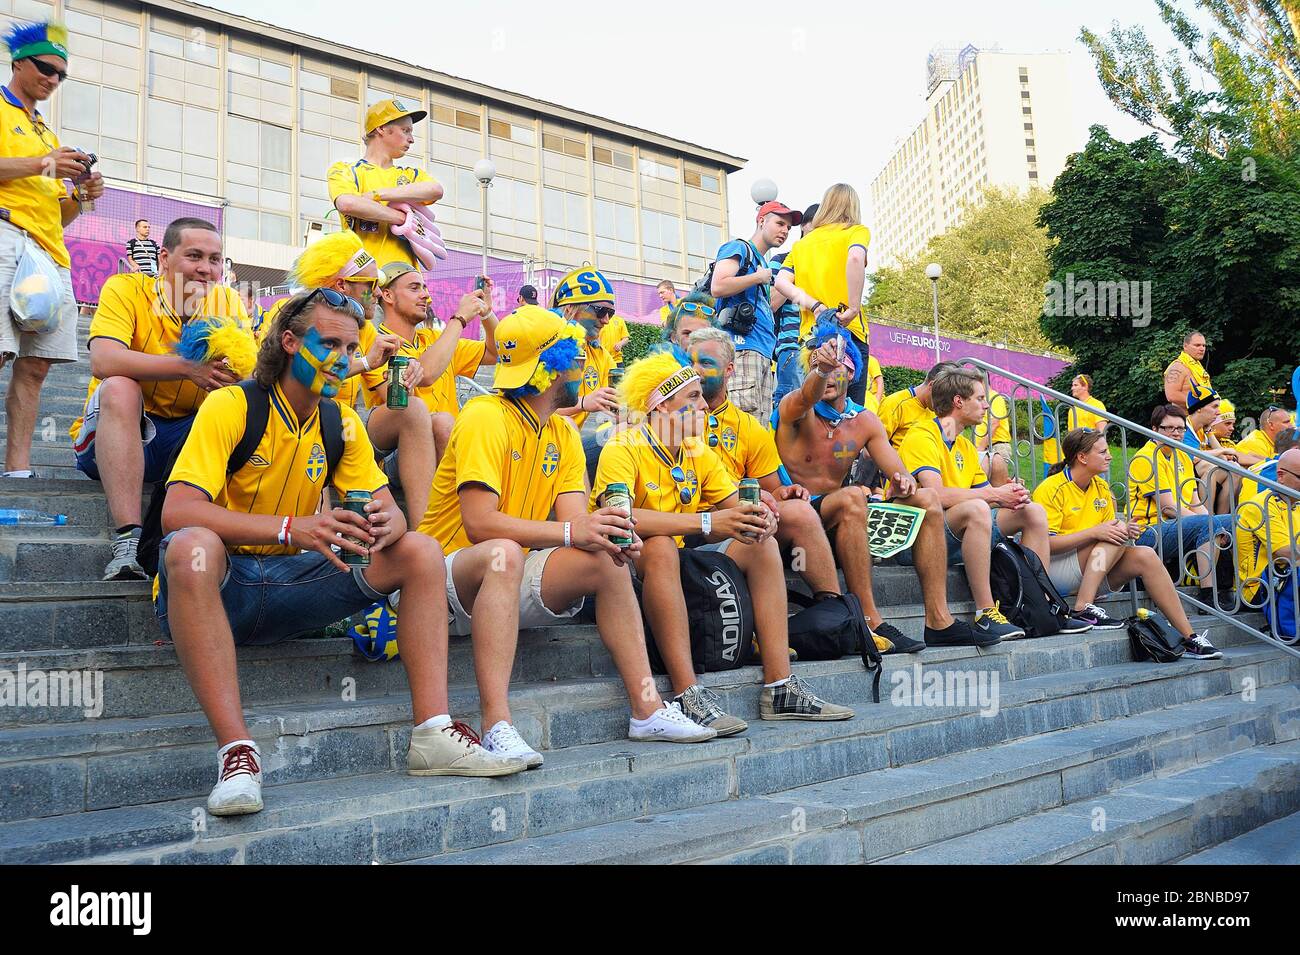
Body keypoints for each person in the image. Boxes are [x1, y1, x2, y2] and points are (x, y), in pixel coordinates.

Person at [158, 288, 524, 816]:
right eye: (328, 343)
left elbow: (391, 513)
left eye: (350, 349)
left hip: (297, 583)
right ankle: (237, 752)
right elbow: (177, 510)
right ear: (289, 342)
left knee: (420, 550)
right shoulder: (231, 404)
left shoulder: (342, 421)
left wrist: (385, 520)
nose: (342, 360)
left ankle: (433, 732)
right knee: (191, 546)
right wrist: (293, 528)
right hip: (224, 586)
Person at [418, 305, 715, 760]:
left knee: (604, 558)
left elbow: (575, 525)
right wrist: (576, 530)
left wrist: (606, 534)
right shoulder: (484, 415)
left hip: (510, 573)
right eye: (574, 355)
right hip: (445, 583)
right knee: (503, 551)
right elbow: (479, 524)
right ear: (549, 366)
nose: (584, 365)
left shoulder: (562, 431)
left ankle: (647, 708)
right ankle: (496, 724)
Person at [595, 350, 854, 735]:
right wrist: (706, 521)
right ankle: (686, 693)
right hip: (627, 560)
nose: (705, 405)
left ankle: (779, 686)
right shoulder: (623, 445)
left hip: (682, 555)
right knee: (662, 544)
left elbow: (733, 508)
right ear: (663, 405)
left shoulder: (698, 451)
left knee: (758, 543)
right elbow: (621, 518)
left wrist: (758, 518)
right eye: (693, 398)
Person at [774, 324, 977, 651]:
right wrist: (821, 369)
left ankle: (938, 620)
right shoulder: (795, 408)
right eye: (815, 366)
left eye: (834, 367)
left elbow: (899, 473)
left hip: (838, 520)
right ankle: (869, 619)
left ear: (853, 374)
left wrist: (903, 482)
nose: (824, 374)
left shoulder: (865, 420)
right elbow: (805, 395)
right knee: (853, 497)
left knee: (926, 498)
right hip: (793, 518)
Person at [70, 218, 248, 580]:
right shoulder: (125, 288)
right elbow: (104, 359)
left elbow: (250, 373)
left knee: (238, 405)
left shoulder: (227, 300)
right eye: (194, 255)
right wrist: (186, 367)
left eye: (215, 259)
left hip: (181, 442)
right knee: (120, 387)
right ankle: (127, 542)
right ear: (164, 258)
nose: (206, 268)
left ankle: (240, 548)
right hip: (116, 433)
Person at [899, 369, 1092, 642]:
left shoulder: (964, 446)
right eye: (980, 398)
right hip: (920, 540)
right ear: (958, 402)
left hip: (956, 532)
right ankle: (986, 612)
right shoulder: (923, 435)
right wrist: (996, 496)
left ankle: (1042, 604)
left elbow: (986, 493)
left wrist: (1010, 495)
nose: (987, 405)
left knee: (1032, 511)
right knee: (978, 509)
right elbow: (936, 495)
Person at [688, 326, 849, 629]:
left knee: (799, 511)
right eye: (690, 362)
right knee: (754, 529)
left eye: (706, 363)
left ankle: (835, 614)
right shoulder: (670, 419)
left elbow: (772, 490)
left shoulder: (748, 426)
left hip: (734, 520)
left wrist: (785, 494)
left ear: (730, 370)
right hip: (689, 525)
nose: (695, 370)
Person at [0, 20, 103, 479]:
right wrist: (45, 163)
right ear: (18, 62)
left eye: (61, 73)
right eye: (44, 67)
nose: (52, 79)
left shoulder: (45, 131)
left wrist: (80, 195)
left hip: (48, 252)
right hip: (6, 236)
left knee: (37, 364)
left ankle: (18, 468)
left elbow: (59, 216)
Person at [1033, 429, 1222, 658]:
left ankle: (1189, 637)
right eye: (1102, 452)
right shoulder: (1051, 488)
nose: (1109, 456)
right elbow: (1045, 545)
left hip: (1090, 569)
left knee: (1145, 555)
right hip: (1056, 572)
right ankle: (1083, 607)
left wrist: (1125, 531)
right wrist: (1095, 532)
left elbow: (1107, 536)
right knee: (1113, 534)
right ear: (1082, 457)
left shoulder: (1101, 487)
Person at [362, 262, 494, 524]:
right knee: (443, 422)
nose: (426, 295)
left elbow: (496, 351)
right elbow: (428, 373)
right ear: (387, 295)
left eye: (425, 287)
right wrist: (459, 319)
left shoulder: (435, 337)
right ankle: (443, 528)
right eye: (414, 288)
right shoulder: (376, 342)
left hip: (448, 450)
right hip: (396, 457)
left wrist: (487, 314)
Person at [260, 231, 397, 415]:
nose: (379, 293)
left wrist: (405, 377)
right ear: (341, 285)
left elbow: (391, 396)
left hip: (339, 427)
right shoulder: (290, 310)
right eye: (371, 284)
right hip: (284, 422)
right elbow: (273, 375)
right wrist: (365, 363)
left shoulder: (363, 328)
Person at [774, 183, 873, 405]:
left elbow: (781, 282)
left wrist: (815, 306)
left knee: (814, 409)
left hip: (811, 338)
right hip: (850, 333)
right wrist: (853, 308)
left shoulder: (802, 245)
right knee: (848, 410)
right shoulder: (856, 231)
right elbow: (855, 258)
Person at [1127, 405, 1234, 602]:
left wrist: (1213, 522)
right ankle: (1208, 595)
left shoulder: (1182, 455)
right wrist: (1209, 523)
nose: (1175, 433)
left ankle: (1233, 588)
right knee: (1210, 524)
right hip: (1147, 531)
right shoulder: (1145, 458)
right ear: (1154, 429)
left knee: (1235, 521)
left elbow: (1195, 502)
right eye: (1169, 428)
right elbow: (1168, 507)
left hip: (1177, 526)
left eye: (1180, 428)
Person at [709, 200, 798, 421]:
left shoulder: (761, 264)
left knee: (757, 431)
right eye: (779, 223)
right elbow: (718, 286)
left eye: (788, 227)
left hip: (763, 354)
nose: (785, 231)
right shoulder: (739, 247)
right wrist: (759, 277)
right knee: (740, 425)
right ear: (761, 221)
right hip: (743, 349)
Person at [329, 98, 442, 270]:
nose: (411, 139)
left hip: (406, 280)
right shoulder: (347, 170)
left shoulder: (410, 174)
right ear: (381, 128)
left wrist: (378, 195)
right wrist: (402, 218)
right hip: (365, 278)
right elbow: (347, 203)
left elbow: (435, 190)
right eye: (405, 130)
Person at [552, 267, 620, 431]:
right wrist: (583, 402)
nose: (606, 320)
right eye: (601, 311)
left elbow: (615, 404)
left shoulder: (601, 355)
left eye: (610, 313)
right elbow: (534, 408)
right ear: (570, 309)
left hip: (570, 444)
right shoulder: (545, 346)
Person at [1236, 447, 1300, 618]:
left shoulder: (1297, 501)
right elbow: (1285, 553)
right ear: (1281, 475)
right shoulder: (1261, 505)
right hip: (1259, 588)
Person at [771, 202, 818, 408]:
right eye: (816, 226)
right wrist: (797, 267)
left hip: (821, 349)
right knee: (790, 412)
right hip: (793, 349)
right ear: (804, 227)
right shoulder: (781, 260)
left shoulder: (826, 266)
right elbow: (770, 302)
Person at [877, 361, 960, 449]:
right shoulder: (895, 403)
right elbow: (874, 449)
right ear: (932, 385)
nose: (946, 403)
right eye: (945, 397)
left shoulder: (941, 411)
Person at [974, 386, 1014, 486]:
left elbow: (995, 423)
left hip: (996, 447)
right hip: (986, 447)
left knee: (996, 487)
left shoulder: (994, 397)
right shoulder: (985, 398)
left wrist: (980, 448)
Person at [1164, 330, 1211, 412]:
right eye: (1197, 345)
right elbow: (1171, 395)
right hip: (1184, 420)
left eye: (1204, 345)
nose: (1202, 349)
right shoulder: (1177, 367)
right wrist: (1201, 402)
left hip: (1202, 420)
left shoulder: (1197, 367)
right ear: (1185, 346)